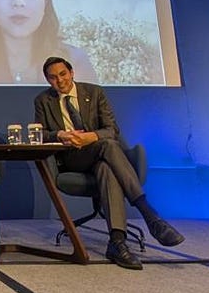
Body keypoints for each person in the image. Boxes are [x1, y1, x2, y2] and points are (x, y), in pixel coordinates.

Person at [34, 56, 183, 270]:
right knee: (109, 145)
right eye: (53, 77)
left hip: (100, 153)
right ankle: (149, 214)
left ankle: (117, 242)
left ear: (72, 73)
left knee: (106, 167)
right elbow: (40, 134)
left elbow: (112, 129)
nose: (60, 80)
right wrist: (60, 134)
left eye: (63, 74)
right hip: (72, 157)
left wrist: (91, 137)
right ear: (48, 80)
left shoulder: (94, 92)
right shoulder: (43, 100)